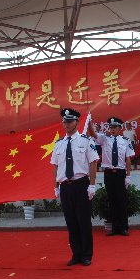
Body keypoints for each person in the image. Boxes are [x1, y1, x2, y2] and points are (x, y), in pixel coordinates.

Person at [50, 108, 99, 266]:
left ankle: (86, 254)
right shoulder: (59, 144)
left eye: (70, 121)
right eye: (64, 122)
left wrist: (92, 185)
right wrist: (56, 186)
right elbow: (55, 166)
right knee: (71, 222)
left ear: (77, 122)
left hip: (81, 185)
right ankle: (76, 254)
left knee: (83, 221)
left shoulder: (86, 141)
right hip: (65, 187)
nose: (66, 124)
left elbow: (93, 162)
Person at [89, 117, 135, 236]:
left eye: (115, 127)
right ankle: (114, 228)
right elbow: (93, 134)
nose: (112, 129)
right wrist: (89, 122)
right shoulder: (104, 139)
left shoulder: (125, 141)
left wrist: (128, 176)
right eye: (111, 127)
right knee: (112, 200)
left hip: (120, 173)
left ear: (120, 128)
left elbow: (128, 159)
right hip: (109, 173)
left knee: (122, 200)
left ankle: (124, 227)